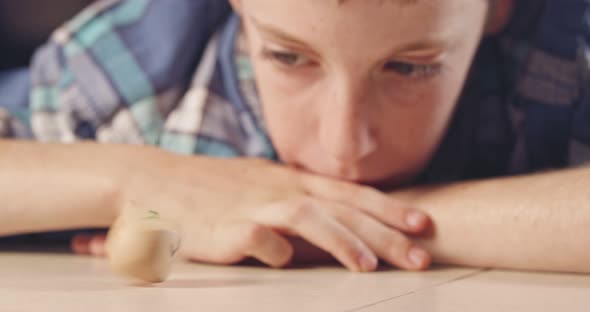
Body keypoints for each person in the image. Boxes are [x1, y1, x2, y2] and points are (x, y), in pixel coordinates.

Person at [1, 0, 589, 273]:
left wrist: (360, 221)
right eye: (287, 56)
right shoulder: (147, 59)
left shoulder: (569, 46)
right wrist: (139, 177)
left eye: (411, 67)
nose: (343, 147)